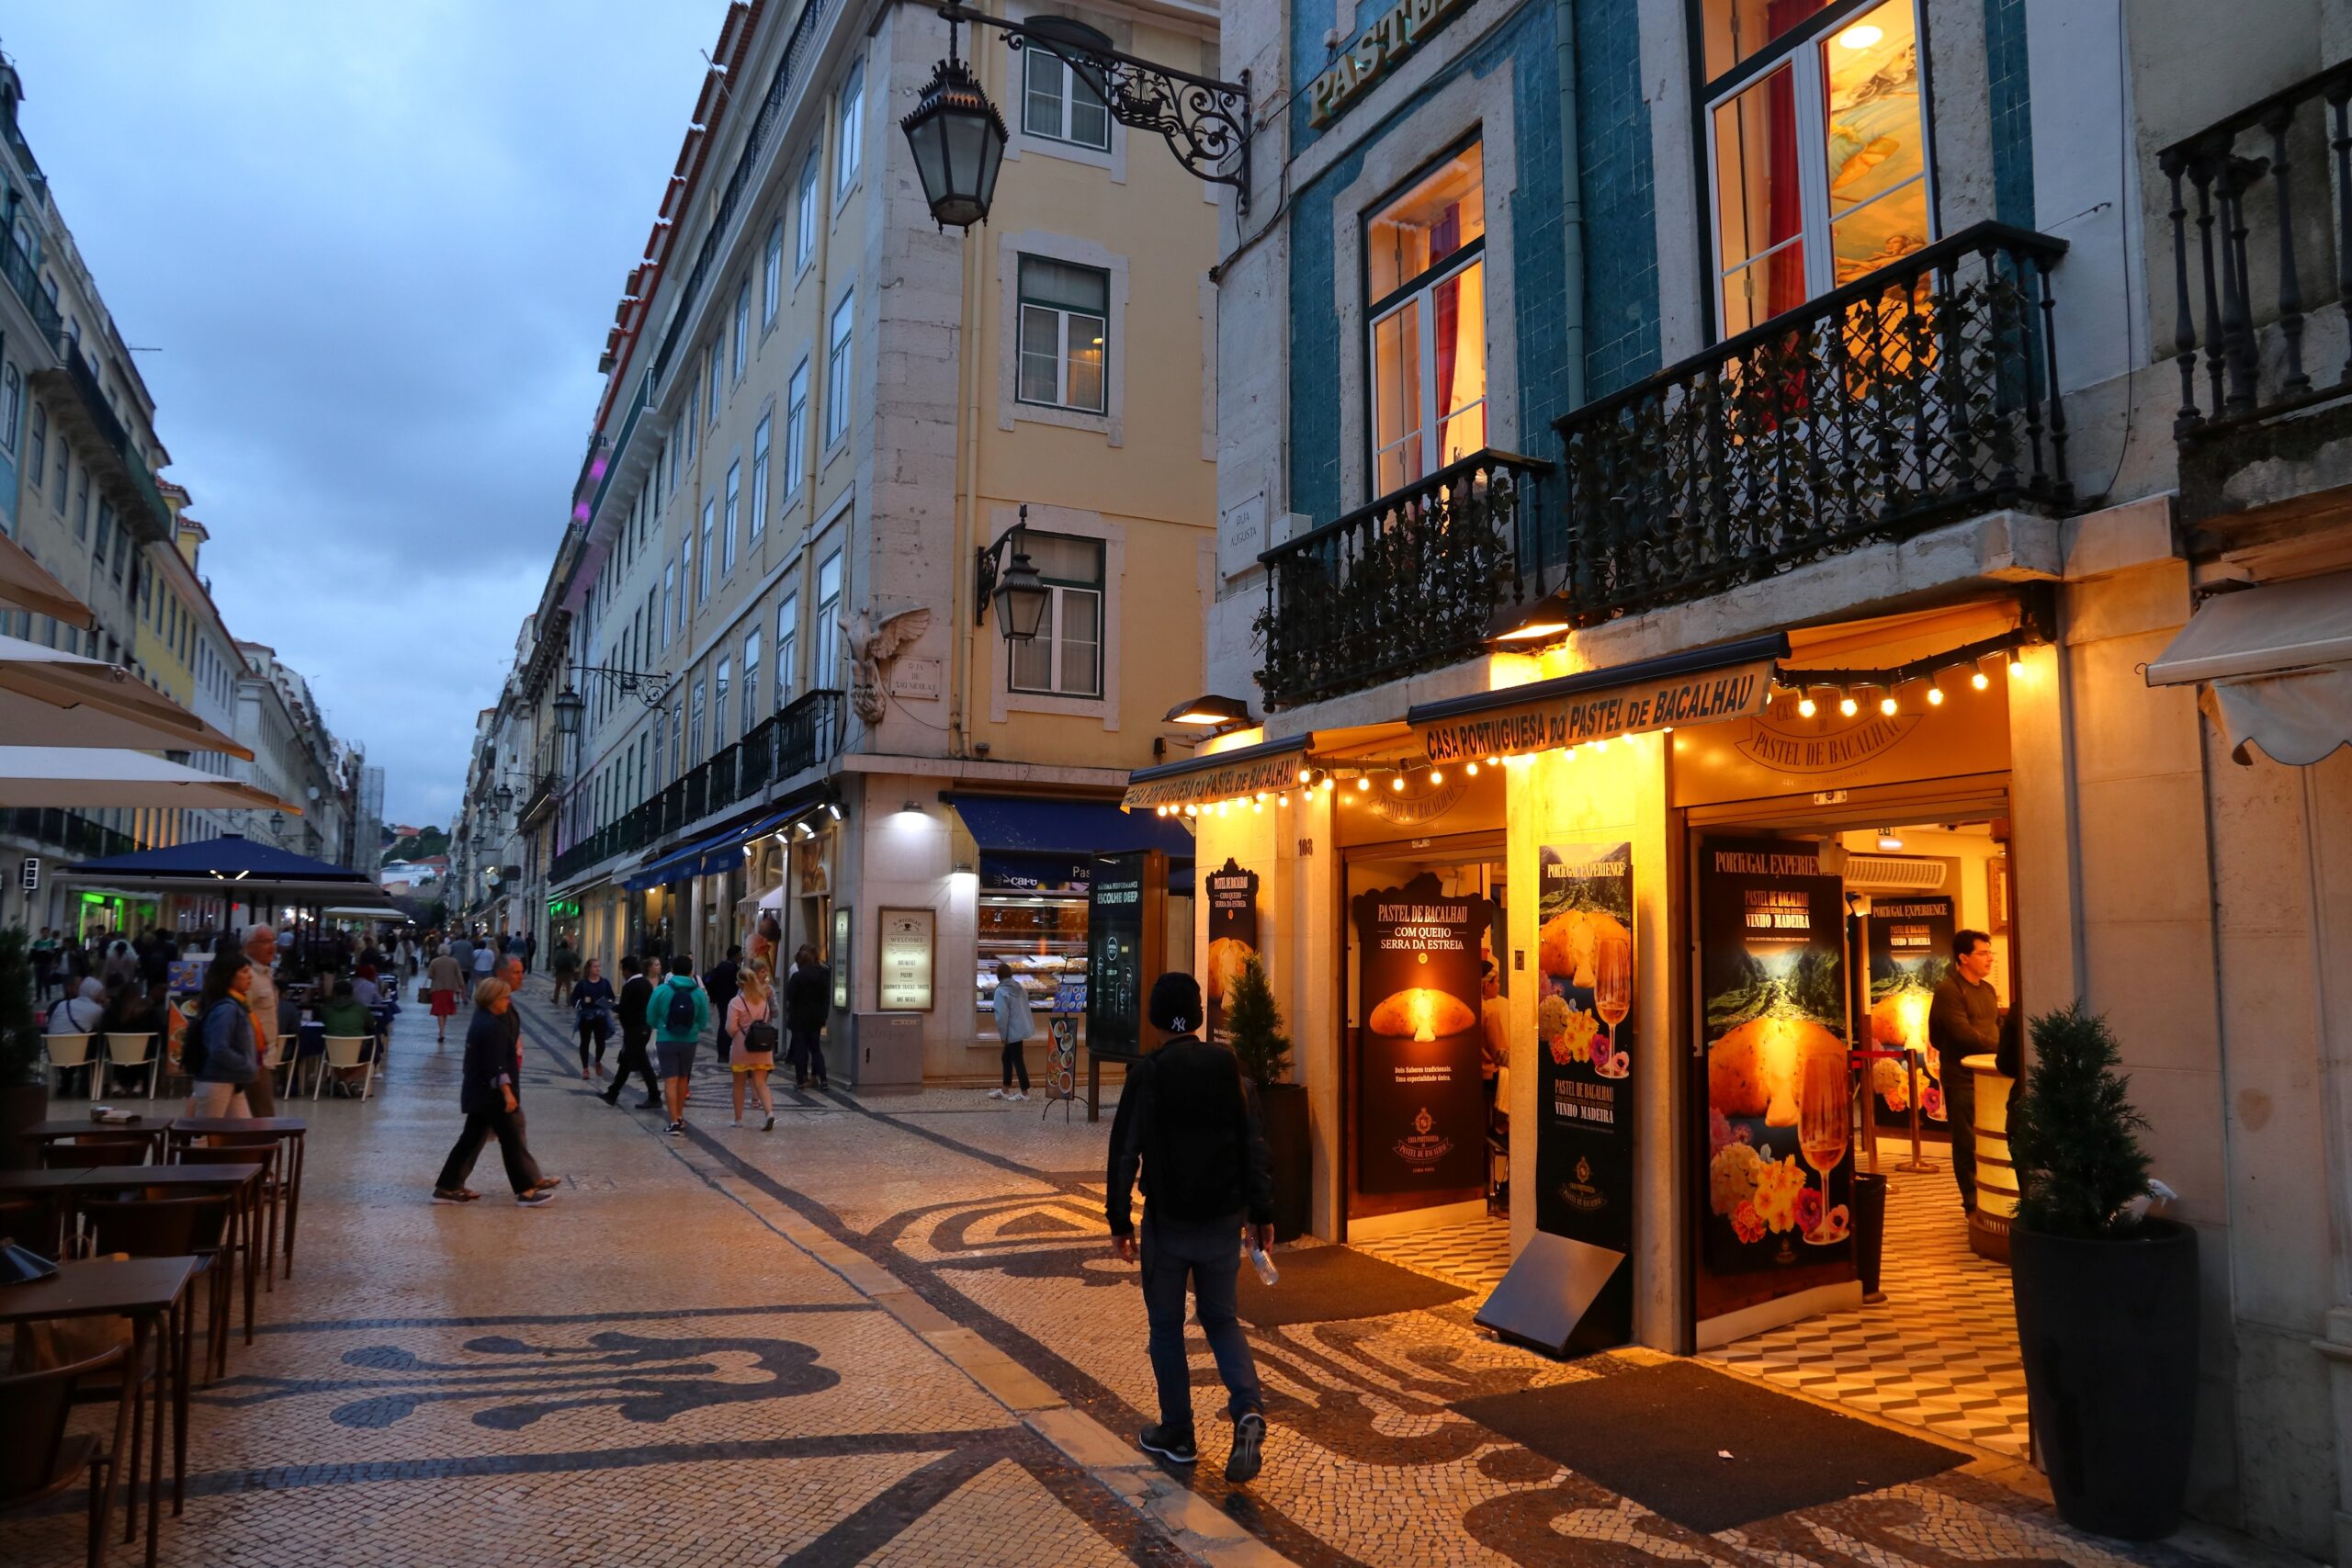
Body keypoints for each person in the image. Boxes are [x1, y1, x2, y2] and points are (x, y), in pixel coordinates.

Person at [1105, 972, 1273, 1485]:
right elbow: (1254, 1145)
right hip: (1223, 1221)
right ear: (1199, 1015)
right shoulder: (1230, 1068)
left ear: (1156, 1019)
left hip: (1169, 1223)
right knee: (1221, 1320)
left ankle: (1178, 1434)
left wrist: (1119, 1220)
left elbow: (1124, 1151)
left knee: (1166, 1327)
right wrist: (1262, 1213)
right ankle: (1247, 1407)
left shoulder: (1148, 1072)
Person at [431, 977, 558, 1206]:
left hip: (479, 1092)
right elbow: (496, 1065)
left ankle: (448, 1186)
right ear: (493, 999)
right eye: (504, 998)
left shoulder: (482, 1018)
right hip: (492, 1096)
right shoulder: (492, 1026)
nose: (508, 1002)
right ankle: (526, 1191)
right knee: (511, 1140)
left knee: (471, 1138)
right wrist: (507, 1094)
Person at [1928, 927, 2003, 1214]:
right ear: (1963, 958)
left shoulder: (1988, 990)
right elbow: (1960, 1034)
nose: (1989, 959)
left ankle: (1993, 1196)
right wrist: (1999, 1049)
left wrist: (2003, 1049)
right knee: (1965, 1141)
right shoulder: (1949, 990)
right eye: (1982, 953)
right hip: (1961, 1078)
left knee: (1993, 1138)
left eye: (1990, 952)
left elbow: (1993, 1027)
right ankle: (1972, 1200)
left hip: (1990, 1077)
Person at [185, 953, 261, 1121]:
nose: (249, 976)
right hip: (217, 1080)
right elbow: (218, 1048)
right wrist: (246, 1063)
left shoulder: (233, 1004)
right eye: (244, 971)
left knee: (243, 1131)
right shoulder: (226, 1009)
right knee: (204, 1135)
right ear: (229, 976)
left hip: (230, 1080)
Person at [650, 953, 709, 1137]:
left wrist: (660, 1025)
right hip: (689, 1040)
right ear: (691, 972)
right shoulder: (698, 993)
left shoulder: (661, 990)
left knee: (670, 1079)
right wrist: (692, 1029)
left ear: (672, 971)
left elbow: (650, 1016)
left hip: (666, 1038)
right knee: (684, 1078)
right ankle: (681, 1115)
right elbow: (703, 1020)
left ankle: (674, 1120)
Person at [601, 954, 662, 1110]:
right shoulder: (645, 983)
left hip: (635, 1030)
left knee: (642, 1063)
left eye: (622, 969)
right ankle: (612, 1093)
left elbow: (624, 1009)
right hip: (643, 1028)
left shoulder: (631, 985)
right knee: (626, 1062)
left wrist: (610, 1006)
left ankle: (654, 1097)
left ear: (628, 970)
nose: (622, 973)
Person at [726, 959, 778, 1131]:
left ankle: (738, 1119)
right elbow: (768, 1018)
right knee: (761, 1082)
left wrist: (736, 1034)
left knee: (739, 1083)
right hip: (762, 1047)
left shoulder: (736, 1002)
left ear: (739, 984)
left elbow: (731, 1028)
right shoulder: (763, 1000)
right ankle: (769, 1112)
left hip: (742, 1047)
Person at [242, 925, 283, 1117]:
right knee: (263, 1115)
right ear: (249, 946)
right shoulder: (246, 976)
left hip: (266, 1057)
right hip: (254, 1057)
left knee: (260, 1113)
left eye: (273, 941)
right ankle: (263, 1147)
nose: (272, 947)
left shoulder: (266, 974)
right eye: (265, 942)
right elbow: (241, 1016)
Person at [45, 977, 107, 1097]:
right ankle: (87, 1085)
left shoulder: (63, 1004)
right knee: (94, 1039)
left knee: (71, 1037)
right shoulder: (96, 1010)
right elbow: (102, 1026)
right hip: (77, 1054)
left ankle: (66, 1084)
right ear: (94, 993)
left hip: (55, 1053)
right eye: (101, 992)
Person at [319, 977, 379, 1096]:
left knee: (335, 1058)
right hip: (357, 1049)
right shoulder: (360, 1008)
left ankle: (344, 1082)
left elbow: (323, 1021)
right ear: (352, 993)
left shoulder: (326, 1009)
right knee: (372, 1058)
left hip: (334, 1051)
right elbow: (371, 1023)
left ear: (334, 993)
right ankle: (348, 1081)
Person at [783, 944, 831, 1091]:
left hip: (799, 1018)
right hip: (816, 1017)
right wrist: (823, 1015)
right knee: (816, 1049)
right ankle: (823, 1080)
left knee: (800, 1050)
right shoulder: (823, 975)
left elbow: (790, 996)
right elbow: (826, 997)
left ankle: (800, 1080)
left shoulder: (798, 977)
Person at [989, 962, 1034, 1101]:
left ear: (998, 976)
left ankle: (1024, 1093)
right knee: (1007, 1058)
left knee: (1017, 1059)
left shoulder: (1001, 991)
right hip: (1021, 1027)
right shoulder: (1019, 987)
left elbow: (1001, 1015)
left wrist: (1003, 1035)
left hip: (1011, 1030)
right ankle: (1005, 1090)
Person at [572, 958, 616, 1081]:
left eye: (599, 966)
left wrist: (606, 1002)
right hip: (586, 1017)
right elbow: (574, 999)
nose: (598, 969)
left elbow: (611, 998)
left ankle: (597, 1061)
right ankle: (585, 1068)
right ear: (589, 969)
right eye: (595, 967)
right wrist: (581, 1003)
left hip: (601, 1017)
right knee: (585, 1042)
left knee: (601, 1043)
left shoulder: (605, 983)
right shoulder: (582, 984)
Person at [706, 945, 741, 1066]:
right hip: (731, 1000)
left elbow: (711, 980)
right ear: (735, 955)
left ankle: (722, 1054)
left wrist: (713, 997)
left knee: (723, 1023)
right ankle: (726, 1052)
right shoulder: (734, 969)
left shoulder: (721, 966)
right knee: (729, 1024)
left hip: (721, 1000)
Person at [426, 944, 466, 1043]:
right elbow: (458, 975)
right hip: (450, 988)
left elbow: (430, 975)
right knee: (445, 1010)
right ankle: (443, 1029)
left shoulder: (434, 962)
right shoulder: (454, 961)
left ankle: (441, 1031)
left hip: (437, 988)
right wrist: (462, 986)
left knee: (439, 1010)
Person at [550, 939, 580, 1007]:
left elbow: (555, 962)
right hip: (568, 973)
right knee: (568, 988)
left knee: (558, 987)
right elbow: (579, 960)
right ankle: (568, 1001)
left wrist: (556, 967)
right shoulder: (570, 953)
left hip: (560, 972)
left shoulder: (558, 953)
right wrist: (575, 966)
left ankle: (555, 1000)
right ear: (567, 946)